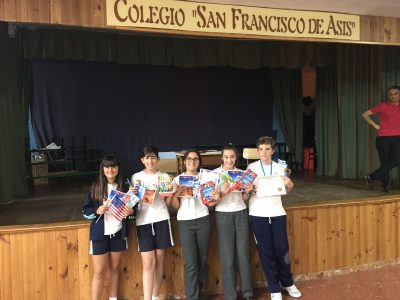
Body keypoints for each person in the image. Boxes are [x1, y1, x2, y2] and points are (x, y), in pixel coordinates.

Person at [247, 136, 301, 300]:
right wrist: (249, 189)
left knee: (282, 250)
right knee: (266, 252)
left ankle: (288, 283)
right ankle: (274, 288)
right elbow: (246, 190)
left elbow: (285, 191)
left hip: (277, 213)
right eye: (261, 149)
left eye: (267, 149)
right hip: (258, 214)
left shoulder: (280, 168)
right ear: (258, 151)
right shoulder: (251, 168)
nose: (264, 152)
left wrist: (290, 185)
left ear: (272, 150)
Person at [82, 155, 135, 300]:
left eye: (113, 166)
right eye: (107, 166)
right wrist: (96, 211)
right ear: (102, 169)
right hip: (99, 236)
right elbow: (85, 211)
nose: (110, 170)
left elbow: (133, 213)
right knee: (99, 271)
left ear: (118, 169)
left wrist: (131, 212)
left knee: (115, 269)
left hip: (118, 234)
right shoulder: (96, 187)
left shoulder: (125, 188)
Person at [171, 149, 219, 300]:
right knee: (190, 262)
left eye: (195, 159)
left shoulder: (206, 178)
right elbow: (175, 206)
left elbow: (211, 203)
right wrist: (174, 193)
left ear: (199, 162)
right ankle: (192, 296)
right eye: (189, 159)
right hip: (185, 222)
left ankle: (200, 291)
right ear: (184, 162)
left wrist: (214, 197)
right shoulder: (177, 180)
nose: (192, 161)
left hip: (203, 219)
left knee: (202, 259)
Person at [130, 146, 174, 300]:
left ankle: (155, 296)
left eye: (153, 157)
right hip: (143, 221)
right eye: (147, 157)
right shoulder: (136, 177)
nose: (150, 160)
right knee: (148, 263)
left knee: (160, 258)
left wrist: (171, 192)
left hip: (161, 218)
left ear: (158, 159)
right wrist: (133, 195)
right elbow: (132, 202)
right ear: (142, 160)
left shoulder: (165, 177)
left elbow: (168, 203)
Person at [213, 145, 254, 300]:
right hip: (223, 214)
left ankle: (248, 293)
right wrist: (221, 193)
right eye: (226, 157)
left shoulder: (242, 174)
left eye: (232, 157)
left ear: (236, 158)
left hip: (241, 212)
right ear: (222, 158)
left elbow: (243, 198)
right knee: (227, 255)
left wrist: (248, 192)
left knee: (243, 253)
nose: (229, 160)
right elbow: (211, 199)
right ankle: (230, 295)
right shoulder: (215, 175)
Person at [363, 85, 400, 192]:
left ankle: (371, 177)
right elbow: (365, 114)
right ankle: (386, 186)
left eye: (396, 93)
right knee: (384, 162)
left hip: (397, 138)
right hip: (383, 138)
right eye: (391, 94)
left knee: (396, 160)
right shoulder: (383, 106)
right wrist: (375, 125)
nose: (393, 96)